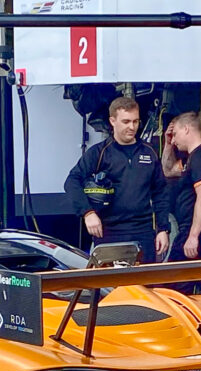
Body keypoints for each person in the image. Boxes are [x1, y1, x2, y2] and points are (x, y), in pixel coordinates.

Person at [65, 97, 169, 264]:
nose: (132, 127)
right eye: (126, 121)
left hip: (143, 232)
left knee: (144, 287)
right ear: (112, 121)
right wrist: (88, 213)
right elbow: (72, 181)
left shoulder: (149, 152)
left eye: (135, 121)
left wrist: (163, 229)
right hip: (109, 232)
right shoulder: (99, 153)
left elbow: (161, 193)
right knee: (112, 288)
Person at [161, 111, 201, 293]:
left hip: (195, 233)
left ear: (186, 129)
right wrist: (167, 144)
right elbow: (168, 171)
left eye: (176, 134)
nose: (174, 140)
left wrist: (193, 236)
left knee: (173, 288)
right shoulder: (194, 158)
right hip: (198, 233)